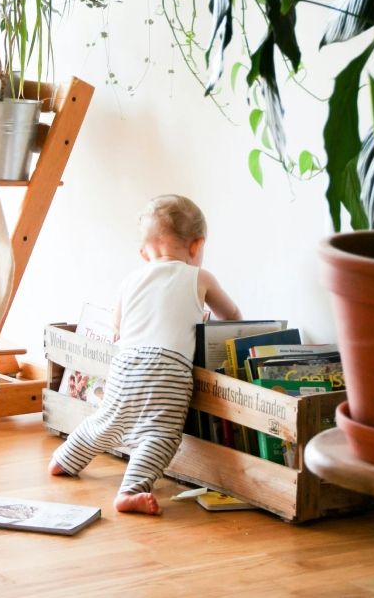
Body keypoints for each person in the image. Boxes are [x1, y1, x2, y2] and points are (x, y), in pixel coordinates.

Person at [48, 194, 242, 515]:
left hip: (126, 364)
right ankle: (131, 490)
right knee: (161, 434)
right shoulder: (200, 277)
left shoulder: (130, 280)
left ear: (144, 253)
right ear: (196, 246)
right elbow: (232, 318)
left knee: (107, 421)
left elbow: (117, 329)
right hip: (168, 369)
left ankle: (64, 459)